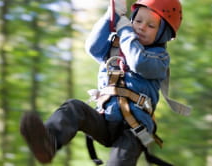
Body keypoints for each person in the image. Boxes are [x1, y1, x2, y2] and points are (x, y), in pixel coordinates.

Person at [20, 0, 189, 165]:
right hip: (105, 119)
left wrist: (125, 31)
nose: (141, 27)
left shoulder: (160, 59)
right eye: (137, 20)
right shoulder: (117, 45)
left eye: (151, 26)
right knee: (74, 108)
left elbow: (138, 62)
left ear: (163, 34)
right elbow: (93, 48)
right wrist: (112, 16)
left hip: (134, 130)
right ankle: (49, 143)